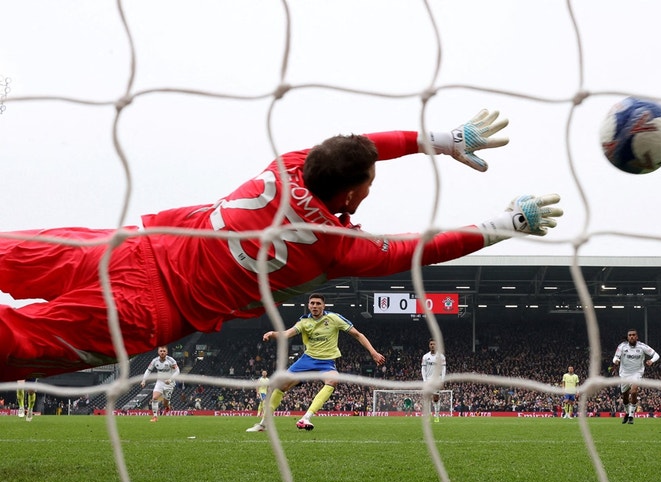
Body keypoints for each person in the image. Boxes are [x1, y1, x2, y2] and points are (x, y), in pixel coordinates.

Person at [0, 109, 562, 381]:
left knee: (11, 253)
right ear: (351, 193)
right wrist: (507, 223)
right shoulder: (336, 247)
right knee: (21, 343)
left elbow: (360, 144)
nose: (372, 185)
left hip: (135, 247)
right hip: (146, 309)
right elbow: (424, 249)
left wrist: (437, 140)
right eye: (369, 181)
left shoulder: (288, 163)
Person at [246, 293, 384, 432]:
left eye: (318, 303)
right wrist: (272, 334)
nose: (315, 306)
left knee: (333, 380)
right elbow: (286, 334)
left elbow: (358, 335)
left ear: (324, 306)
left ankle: (306, 418)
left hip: (326, 362)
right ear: (308, 306)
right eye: (312, 303)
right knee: (281, 385)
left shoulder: (334, 318)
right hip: (307, 360)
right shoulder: (304, 322)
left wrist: (373, 352)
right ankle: (263, 424)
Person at [611, 329, 660, 425]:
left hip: (637, 373)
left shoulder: (642, 346)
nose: (632, 337)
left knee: (633, 392)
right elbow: (615, 357)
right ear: (628, 337)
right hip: (624, 374)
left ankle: (631, 415)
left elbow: (656, 355)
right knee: (625, 397)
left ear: (637, 337)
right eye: (630, 335)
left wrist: (651, 361)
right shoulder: (622, 346)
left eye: (633, 335)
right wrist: (616, 361)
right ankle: (627, 412)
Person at [140, 345, 180, 422]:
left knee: (165, 403)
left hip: (169, 384)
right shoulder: (155, 361)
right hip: (160, 382)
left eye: (164, 351)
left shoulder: (171, 360)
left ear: (167, 352)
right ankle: (155, 416)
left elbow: (177, 371)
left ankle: (167, 405)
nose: (162, 352)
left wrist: (170, 380)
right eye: (161, 351)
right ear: (158, 352)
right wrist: (144, 380)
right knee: (154, 398)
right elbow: (148, 370)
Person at [420, 338, 447, 422]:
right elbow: (423, 369)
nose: (432, 346)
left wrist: (442, 380)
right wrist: (424, 380)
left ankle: (436, 415)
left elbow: (443, 369)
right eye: (431, 344)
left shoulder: (441, 357)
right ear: (429, 345)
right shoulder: (425, 357)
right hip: (428, 380)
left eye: (434, 344)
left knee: (436, 398)